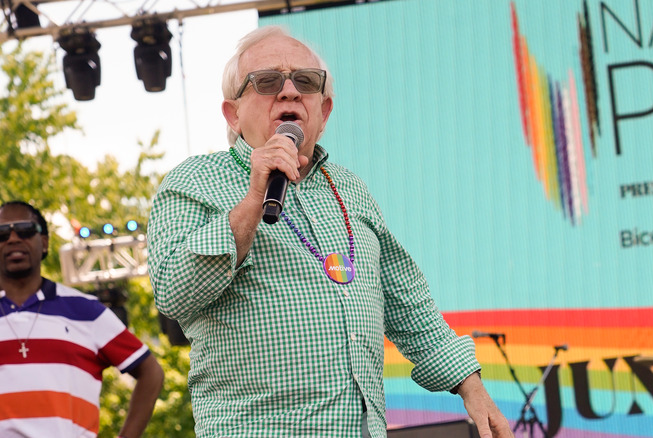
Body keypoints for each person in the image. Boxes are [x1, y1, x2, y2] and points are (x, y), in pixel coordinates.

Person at [147, 25, 512, 438]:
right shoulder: (193, 181)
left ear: (325, 111)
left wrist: (472, 388)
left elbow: (406, 301)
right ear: (232, 113)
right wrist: (253, 200)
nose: (289, 92)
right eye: (267, 81)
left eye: (305, 81)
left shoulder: (351, 189)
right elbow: (174, 291)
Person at [0, 201, 164, 437]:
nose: (12, 239)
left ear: (44, 242)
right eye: (0, 233)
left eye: (25, 230)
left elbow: (151, 372)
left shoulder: (87, 311)